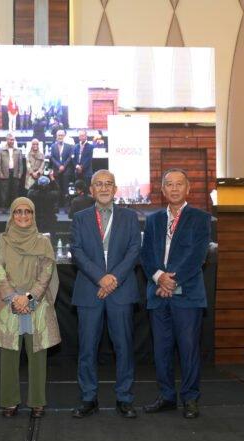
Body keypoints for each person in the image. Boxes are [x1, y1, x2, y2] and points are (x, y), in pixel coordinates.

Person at [140, 168, 210, 419]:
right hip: (157, 293)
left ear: (188, 188)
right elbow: (146, 254)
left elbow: (197, 256)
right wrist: (159, 277)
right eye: (169, 184)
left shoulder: (200, 218)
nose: (174, 188)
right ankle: (167, 396)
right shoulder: (152, 220)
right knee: (161, 349)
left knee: (189, 349)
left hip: (187, 295)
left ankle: (190, 398)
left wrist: (172, 281)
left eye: (179, 184)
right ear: (162, 190)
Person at [70, 170, 141, 419]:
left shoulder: (130, 217)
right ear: (91, 190)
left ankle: (124, 397)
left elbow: (134, 250)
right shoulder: (80, 218)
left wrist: (113, 279)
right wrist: (100, 278)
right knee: (87, 348)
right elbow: (77, 251)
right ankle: (88, 397)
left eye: (108, 184)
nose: (103, 188)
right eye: (98, 184)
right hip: (90, 289)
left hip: (121, 289)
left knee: (124, 347)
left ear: (115, 189)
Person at [0, 197, 61, 418]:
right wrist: (14, 298)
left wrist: (28, 298)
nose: (23, 215)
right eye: (18, 211)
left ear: (33, 214)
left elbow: (46, 273)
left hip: (36, 304)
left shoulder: (43, 242)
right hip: (8, 304)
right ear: (12, 215)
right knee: (9, 355)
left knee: (37, 354)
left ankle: (37, 401)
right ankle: (10, 401)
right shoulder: (2, 241)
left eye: (27, 211)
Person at [0, 133, 24, 213]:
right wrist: (0, 173)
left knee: (15, 192)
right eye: (10, 140)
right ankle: (4, 208)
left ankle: (15, 208)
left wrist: (20, 172)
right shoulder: (1, 150)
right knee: (4, 192)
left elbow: (20, 163)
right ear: (7, 140)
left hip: (15, 172)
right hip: (5, 173)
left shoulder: (17, 150)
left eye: (13, 140)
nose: (12, 141)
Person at [50, 129, 73, 207]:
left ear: (64, 136)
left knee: (65, 189)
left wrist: (63, 166)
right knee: (56, 189)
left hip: (66, 171)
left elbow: (70, 157)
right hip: (56, 171)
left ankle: (66, 206)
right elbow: (52, 157)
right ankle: (56, 206)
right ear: (56, 136)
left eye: (62, 135)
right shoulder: (53, 146)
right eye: (59, 135)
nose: (60, 137)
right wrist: (59, 166)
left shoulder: (69, 146)